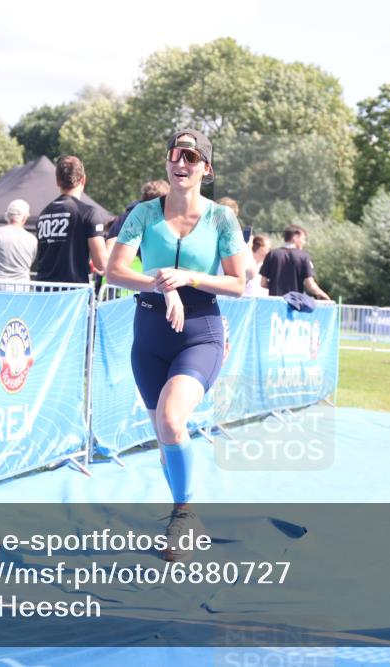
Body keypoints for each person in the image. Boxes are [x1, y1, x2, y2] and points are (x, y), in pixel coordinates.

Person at [105, 128, 246, 561]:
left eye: (191, 157)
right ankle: (188, 514)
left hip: (200, 331)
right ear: (167, 163)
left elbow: (239, 283)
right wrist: (161, 282)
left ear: (207, 168)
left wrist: (189, 278)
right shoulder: (144, 213)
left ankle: (183, 516)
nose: (180, 163)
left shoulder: (222, 219)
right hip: (150, 333)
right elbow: (114, 271)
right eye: (174, 155)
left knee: (170, 419)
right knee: (167, 439)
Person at [34, 155, 109, 284]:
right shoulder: (89, 213)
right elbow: (101, 263)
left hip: (44, 292)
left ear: (57, 181)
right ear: (83, 180)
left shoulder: (43, 214)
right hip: (72, 295)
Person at [259, 225, 329, 300]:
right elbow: (310, 285)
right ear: (295, 237)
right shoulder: (303, 256)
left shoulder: (271, 254)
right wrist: (324, 295)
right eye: (303, 239)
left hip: (275, 303)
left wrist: (275, 286)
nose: (304, 242)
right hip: (294, 304)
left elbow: (263, 283)